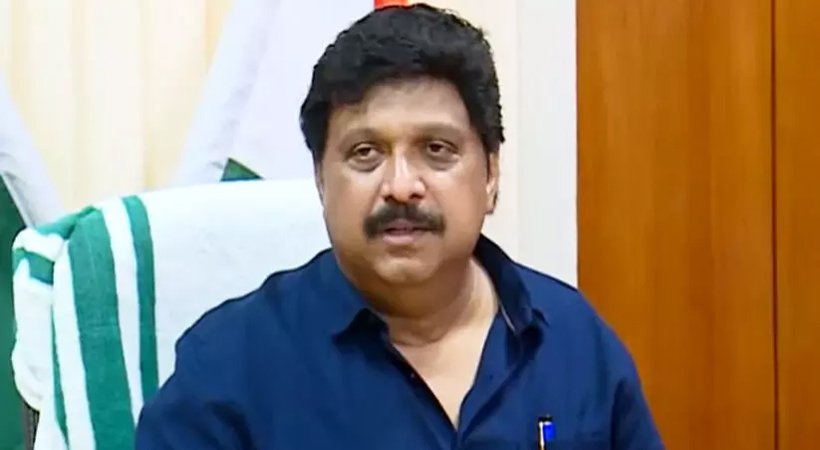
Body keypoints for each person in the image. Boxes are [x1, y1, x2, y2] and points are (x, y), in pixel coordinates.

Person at [136, 3, 663, 449]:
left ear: (490, 175)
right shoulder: (227, 372)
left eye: (437, 149)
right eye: (366, 153)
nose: (402, 185)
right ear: (320, 179)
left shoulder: (573, 342)